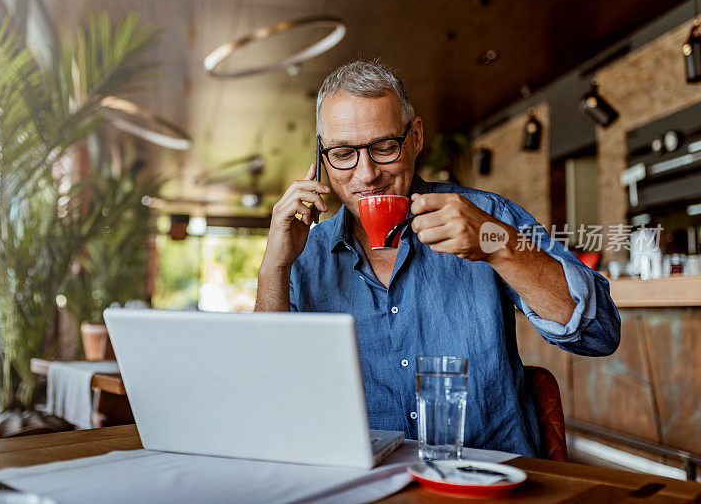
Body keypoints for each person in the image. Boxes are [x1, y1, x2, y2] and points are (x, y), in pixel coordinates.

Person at [254, 60, 620, 457]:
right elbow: (265, 391)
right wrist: (274, 267)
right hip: (364, 483)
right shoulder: (303, 251)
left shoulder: (487, 217)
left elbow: (599, 333)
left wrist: (495, 243)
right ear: (323, 157)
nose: (366, 174)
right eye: (343, 154)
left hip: (490, 483)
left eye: (383, 148)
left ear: (416, 137)